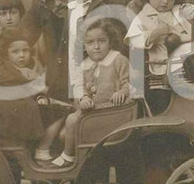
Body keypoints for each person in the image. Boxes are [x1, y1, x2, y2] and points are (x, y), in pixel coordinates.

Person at [20, 0, 111, 102]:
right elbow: (20, 39)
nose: (55, 3)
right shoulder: (39, 7)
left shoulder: (97, 4)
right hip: (57, 78)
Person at [47, 20, 132, 169]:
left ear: (110, 42)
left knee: (72, 120)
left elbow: (129, 83)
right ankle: (75, 158)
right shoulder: (84, 65)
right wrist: (84, 97)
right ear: (84, 46)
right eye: (90, 42)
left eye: (102, 41)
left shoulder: (118, 60)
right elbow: (80, 86)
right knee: (67, 127)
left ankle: (68, 156)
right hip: (93, 110)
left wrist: (121, 92)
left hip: (112, 110)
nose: (96, 47)